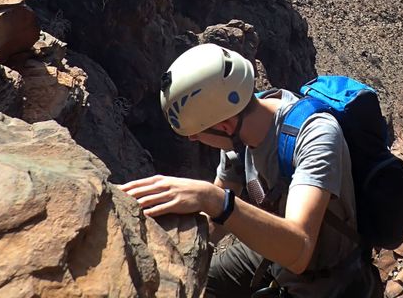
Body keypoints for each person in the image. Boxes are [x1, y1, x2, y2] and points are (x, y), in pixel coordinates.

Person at [119, 43, 379, 297]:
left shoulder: (315, 135)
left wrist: (212, 198)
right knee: (197, 281)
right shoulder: (238, 137)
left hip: (328, 274)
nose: (193, 139)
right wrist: (164, 247)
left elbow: (300, 249)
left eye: (196, 134)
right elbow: (216, 219)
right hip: (272, 256)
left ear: (225, 126)